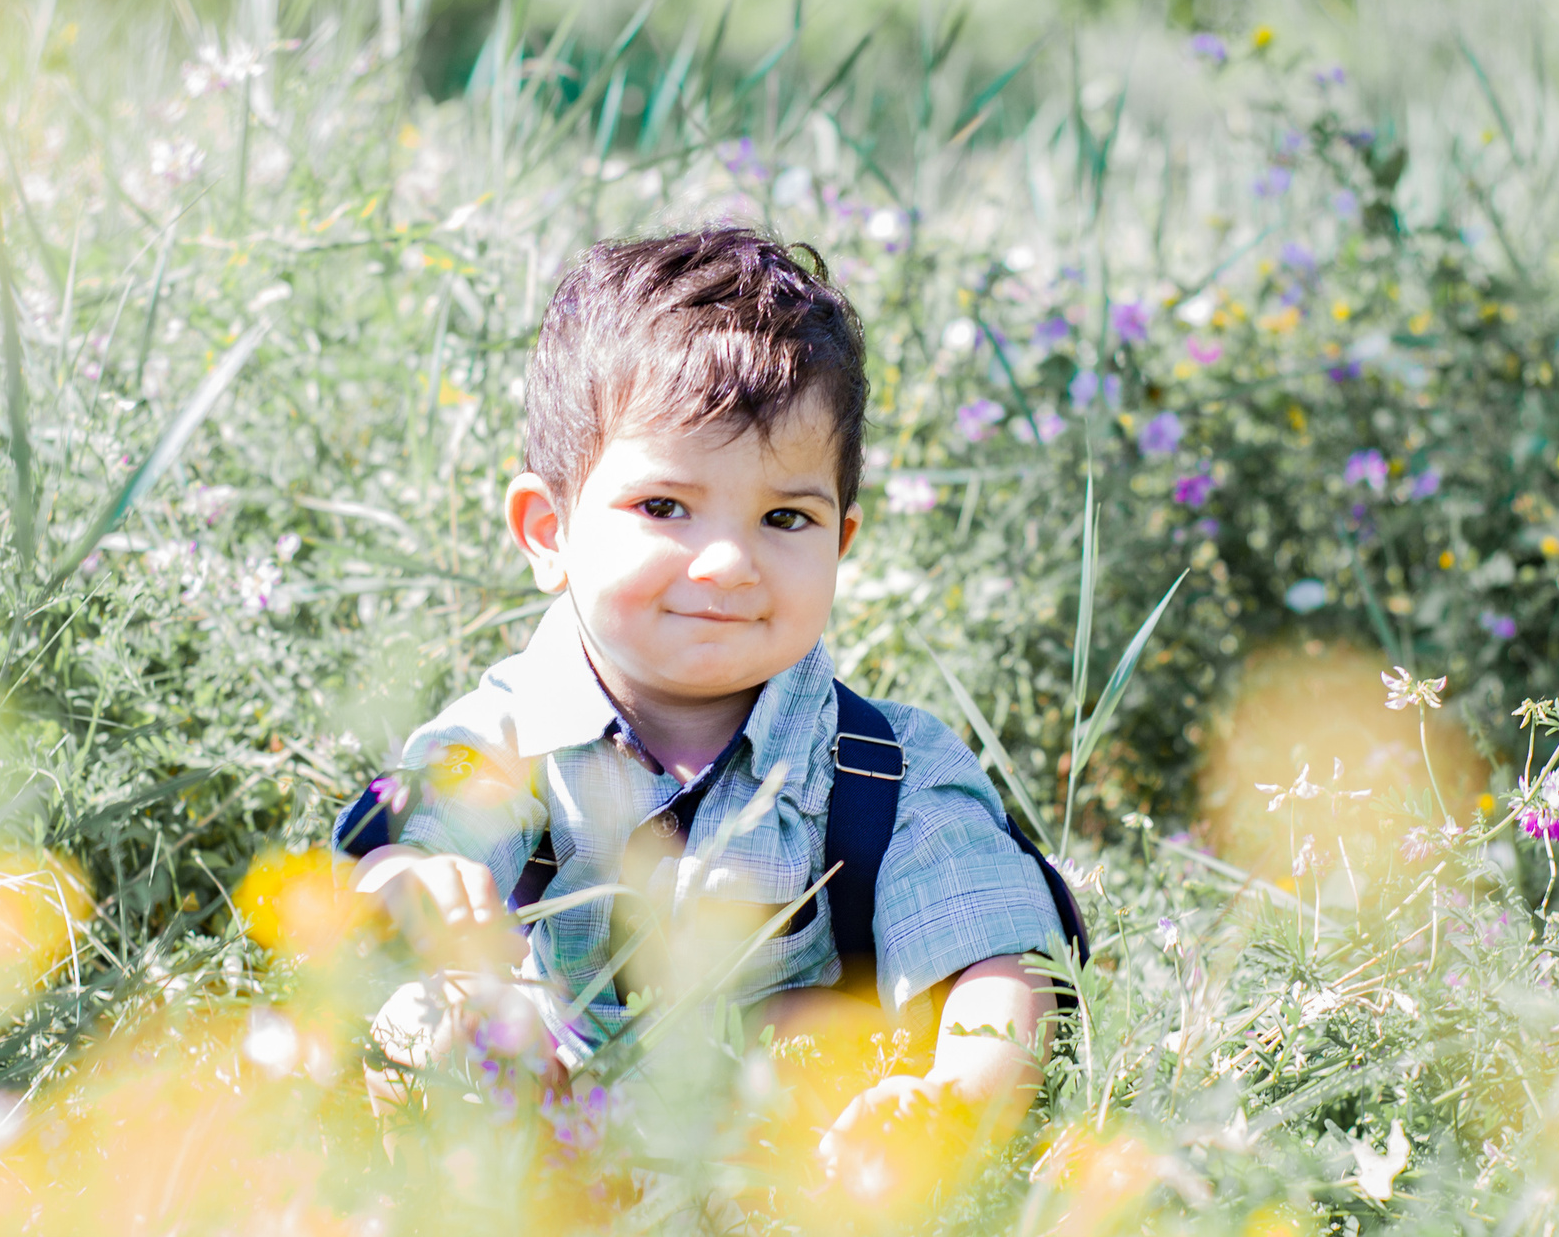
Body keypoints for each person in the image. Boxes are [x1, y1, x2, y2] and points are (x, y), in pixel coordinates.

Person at [338, 226, 1070, 1177]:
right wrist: (408, 881)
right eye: (665, 508)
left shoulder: (887, 770)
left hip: (795, 1176)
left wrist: (957, 1096)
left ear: (841, 540)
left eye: (784, 518)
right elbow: (400, 850)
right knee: (421, 1007)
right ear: (548, 530)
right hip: (547, 1146)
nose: (726, 564)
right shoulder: (506, 735)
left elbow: (1000, 956)